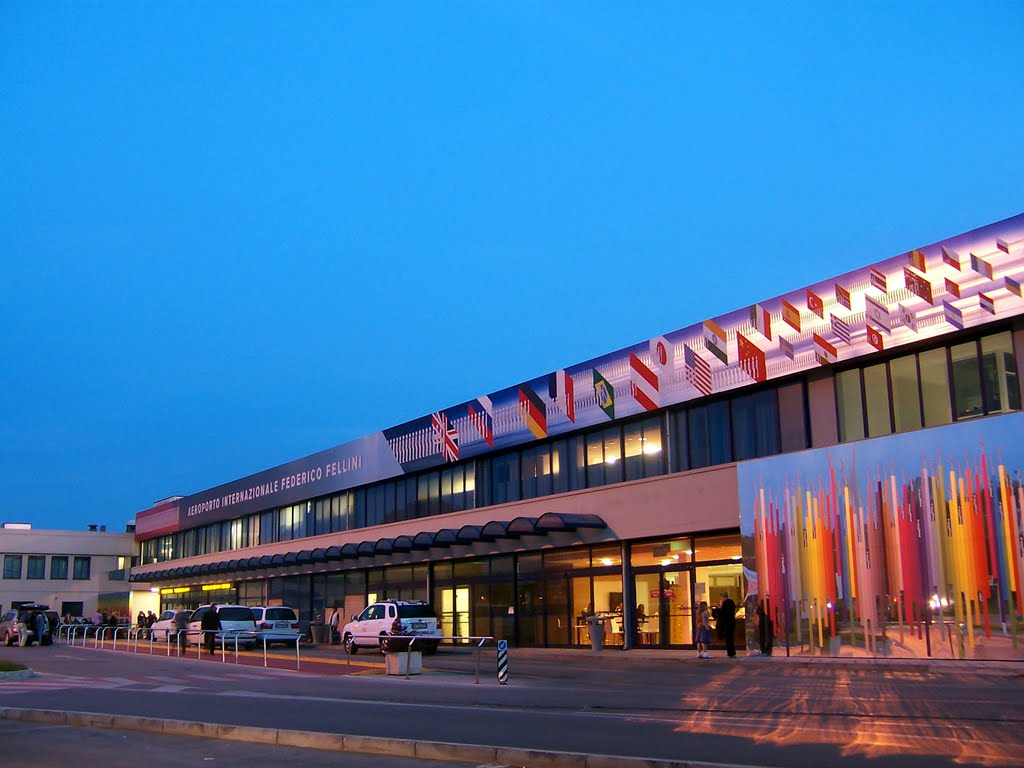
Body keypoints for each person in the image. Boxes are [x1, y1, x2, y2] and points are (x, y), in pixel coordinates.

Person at [717, 592, 737, 658]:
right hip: (732, 622)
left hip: (727, 622)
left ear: (723, 597)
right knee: (731, 637)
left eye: (721, 598)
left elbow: (722, 613)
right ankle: (732, 652)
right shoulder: (732, 602)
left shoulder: (725, 603)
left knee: (728, 638)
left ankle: (730, 653)